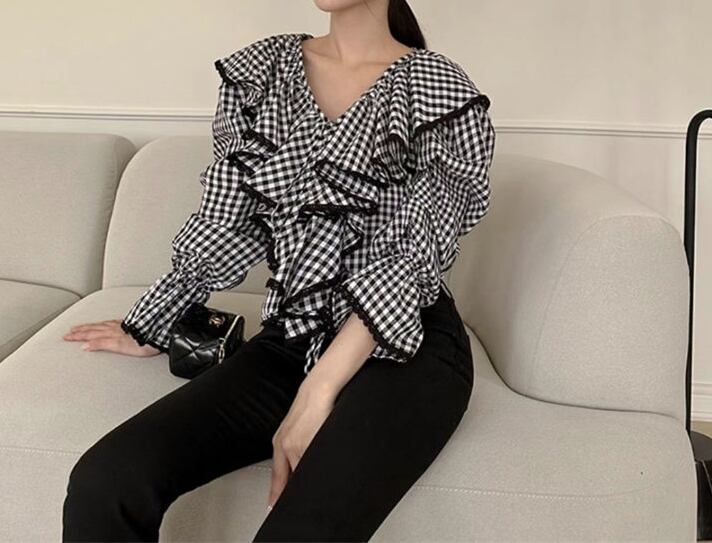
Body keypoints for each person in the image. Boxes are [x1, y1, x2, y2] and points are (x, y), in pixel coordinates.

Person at [60, 0, 496, 540]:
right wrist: (152, 322)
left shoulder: (436, 88)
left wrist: (317, 391)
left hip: (406, 345)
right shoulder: (266, 71)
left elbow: (410, 258)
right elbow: (228, 217)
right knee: (105, 481)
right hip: (293, 337)